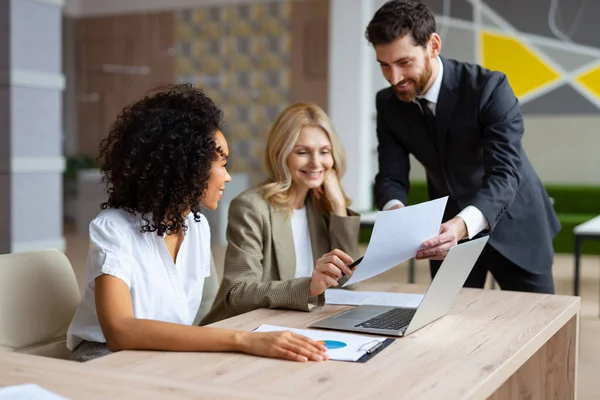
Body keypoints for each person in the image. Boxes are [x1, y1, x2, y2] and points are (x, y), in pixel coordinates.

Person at [66, 84, 328, 363]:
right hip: (103, 356)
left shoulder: (197, 227)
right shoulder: (113, 229)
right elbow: (119, 332)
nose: (227, 177)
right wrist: (244, 340)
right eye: (221, 163)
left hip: (161, 355)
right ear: (188, 164)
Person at [366, 0, 560, 293]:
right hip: (446, 237)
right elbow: (390, 176)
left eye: (404, 63)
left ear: (433, 45)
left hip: (515, 225)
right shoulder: (388, 104)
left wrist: (461, 225)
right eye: (384, 65)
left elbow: (505, 174)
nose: (395, 79)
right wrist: (396, 213)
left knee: (539, 326)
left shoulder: (490, 89)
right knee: (449, 329)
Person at [202, 102, 360, 324]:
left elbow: (347, 284)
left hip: (297, 323)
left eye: (324, 152)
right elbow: (237, 294)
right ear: (281, 154)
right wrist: (309, 287)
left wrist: (338, 205)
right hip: (246, 328)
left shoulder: (319, 207)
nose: (316, 163)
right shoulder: (251, 207)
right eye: (303, 152)